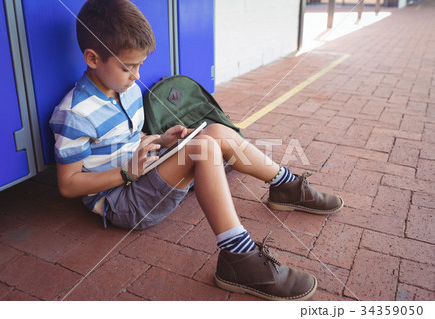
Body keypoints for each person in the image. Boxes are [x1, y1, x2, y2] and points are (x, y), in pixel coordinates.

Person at [50, 0, 344, 301]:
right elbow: (68, 185)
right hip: (120, 201)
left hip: (140, 173)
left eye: (140, 65)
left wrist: (162, 139)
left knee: (213, 131)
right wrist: (126, 172)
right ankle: (237, 256)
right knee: (202, 147)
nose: (137, 76)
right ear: (92, 58)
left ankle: (286, 186)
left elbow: (129, 137)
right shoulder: (74, 113)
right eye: (129, 67)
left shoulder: (127, 90)